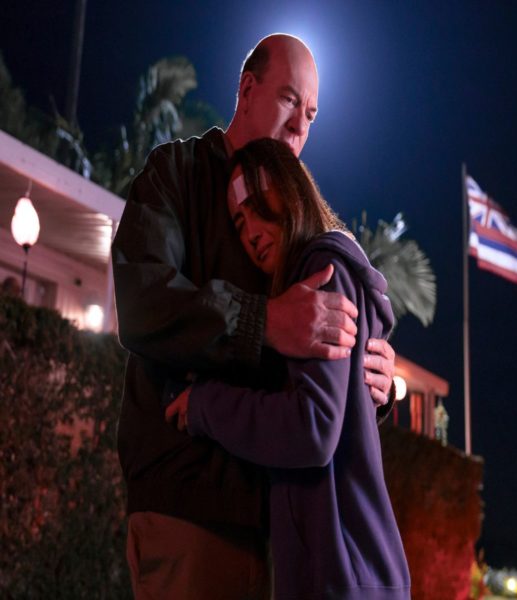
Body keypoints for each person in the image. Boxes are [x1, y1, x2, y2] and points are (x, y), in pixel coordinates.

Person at [112, 33, 396, 599]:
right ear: (246, 90)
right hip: (194, 507)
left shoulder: (307, 237)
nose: (299, 127)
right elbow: (143, 301)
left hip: (282, 524)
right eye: (290, 100)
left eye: (311, 115)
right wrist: (262, 321)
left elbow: (312, 403)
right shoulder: (178, 172)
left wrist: (373, 383)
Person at [167, 138, 410, 599]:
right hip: (354, 569)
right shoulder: (326, 273)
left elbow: (311, 428)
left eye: (258, 206)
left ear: (291, 189)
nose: (251, 232)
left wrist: (205, 406)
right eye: (239, 222)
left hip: (339, 573)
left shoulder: (320, 270)